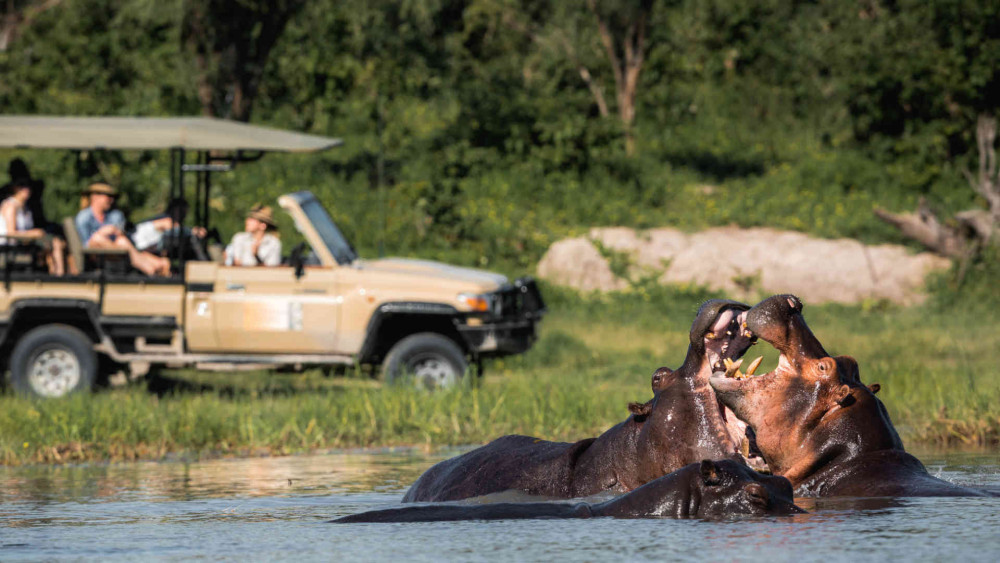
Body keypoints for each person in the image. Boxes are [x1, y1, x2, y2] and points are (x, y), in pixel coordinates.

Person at [74, 182, 170, 276]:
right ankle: (148, 267)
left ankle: (149, 266)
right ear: (95, 197)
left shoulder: (116, 215)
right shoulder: (83, 217)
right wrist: (102, 232)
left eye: (112, 197)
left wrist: (117, 232)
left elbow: (124, 234)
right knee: (98, 238)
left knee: (122, 241)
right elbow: (86, 243)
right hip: (96, 254)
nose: (110, 200)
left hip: (120, 250)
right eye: (107, 196)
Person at [0, 177, 69, 275]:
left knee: (57, 242)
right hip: (9, 244)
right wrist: (33, 233)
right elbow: (11, 233)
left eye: (28, 187)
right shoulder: (10, 206)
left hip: (24, 241)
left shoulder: (25, 208)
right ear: (16, 189)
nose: (27, 190)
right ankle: (58, 275)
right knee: (53, 243)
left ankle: (57, 273)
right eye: (23, 187)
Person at [130, 198, 207, 255]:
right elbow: (176, 228)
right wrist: (193, 231)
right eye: (182, 211)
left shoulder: (166, 219)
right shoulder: (166, 220)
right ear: (175, 209)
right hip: (135, 244)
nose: (184, 215)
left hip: (146, 245)